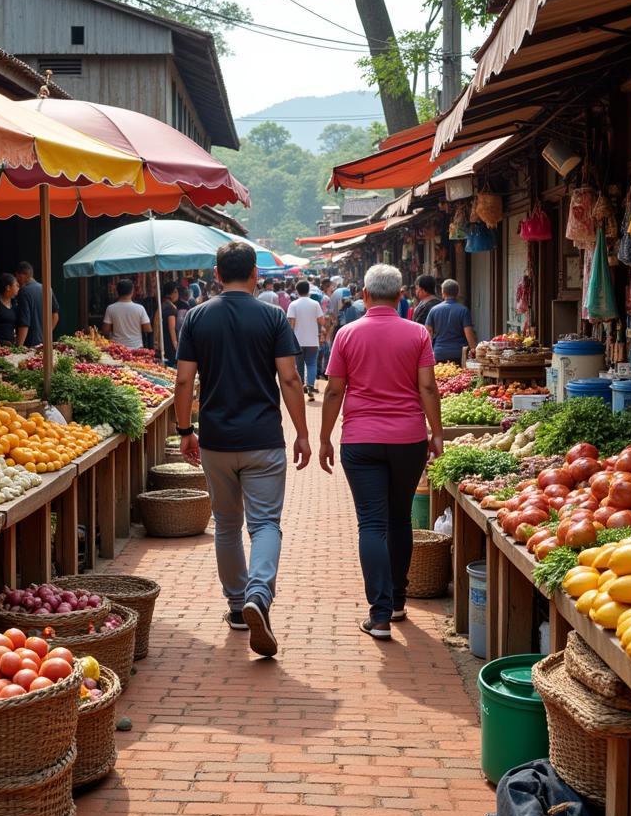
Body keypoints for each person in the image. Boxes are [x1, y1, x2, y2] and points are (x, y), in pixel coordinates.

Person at [174, 241, 311, 658]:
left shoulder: (196, 317)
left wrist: (185, 430)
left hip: (216, 440)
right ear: (254, 274)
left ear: (217, 274)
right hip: (263, 440)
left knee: (227, 526)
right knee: (265, 524)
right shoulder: (271, 316)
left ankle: (237, 607)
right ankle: (258, 595)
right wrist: (303, 432)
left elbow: (183, 382)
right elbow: (289, 379)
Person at [319, 264, 444, 639]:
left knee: (372, 524)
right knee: (400, 518)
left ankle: (379, 615)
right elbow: (428, 389)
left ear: (366, 296)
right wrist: (436, 433)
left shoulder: (346, 334)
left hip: (359, 441)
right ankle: (400, 601)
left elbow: (334, 391)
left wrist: (324, 436)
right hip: (408, 439)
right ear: (401, 294)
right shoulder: (418, 333)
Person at [286, 280, 324, 400]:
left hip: (298, 341)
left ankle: (301, 386)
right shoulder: (315, 304)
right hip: (312, 340)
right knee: (312, 363)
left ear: (297, 291)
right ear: (308, 290)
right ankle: (310, 386)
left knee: (299, 364)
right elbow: (321, 321)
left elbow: (291, 324)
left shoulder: (293, 305)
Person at [425, 279, 476, 364]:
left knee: (441, 376)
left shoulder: (434, 310)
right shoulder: (463, 310)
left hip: (439, 353)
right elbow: (469, 333)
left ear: (443, 293)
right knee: (459, 376)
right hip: (458, 354)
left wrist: (428, 352)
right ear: (458, 293)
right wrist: (474, 350)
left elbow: (428, 331)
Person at [14, 261, 59, 347]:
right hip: (44, 343)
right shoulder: (47, 289)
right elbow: (55, 316)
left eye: (17, 276)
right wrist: (45, 335)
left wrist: (18, 347)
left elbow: (24, 323)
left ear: (24, 275)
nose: (16, 281)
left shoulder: (23, 292)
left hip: (29, 344)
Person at [102, 279, 152, 349]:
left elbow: (106, 330)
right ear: (132, 291)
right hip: (136, 348)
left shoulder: (110, 308)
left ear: (117, 292)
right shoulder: (140, 308)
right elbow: (148, 329)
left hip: (117, 348)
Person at [158, 282, 179, 366]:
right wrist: (176, 346)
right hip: (169, 343)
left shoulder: (163, 305)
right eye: (176, 292)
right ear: (173, 293)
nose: (177, 294)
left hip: (163, 340)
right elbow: (172, 328)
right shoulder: (170, 308)